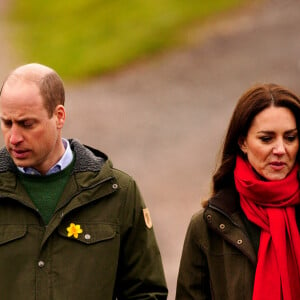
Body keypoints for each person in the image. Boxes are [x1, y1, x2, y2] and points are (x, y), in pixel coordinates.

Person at [0, 63, 168, 299]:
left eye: (27, 124)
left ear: (59, 117)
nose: (14, 138)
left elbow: (145, 292)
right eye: (7, 123)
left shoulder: (117, 192)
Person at [176, 83, 300, 300]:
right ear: (243, 142)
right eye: (266, 138)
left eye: (290, 138)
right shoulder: (208, 225)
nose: (280, 150)